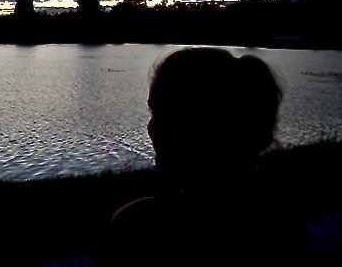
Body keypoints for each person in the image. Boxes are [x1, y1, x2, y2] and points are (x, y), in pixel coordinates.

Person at [97, 47, 320, 265]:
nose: (153, 128)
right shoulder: (282, 225)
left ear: (218, 124)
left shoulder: (140, 228)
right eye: (154, 111)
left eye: (176, 114)